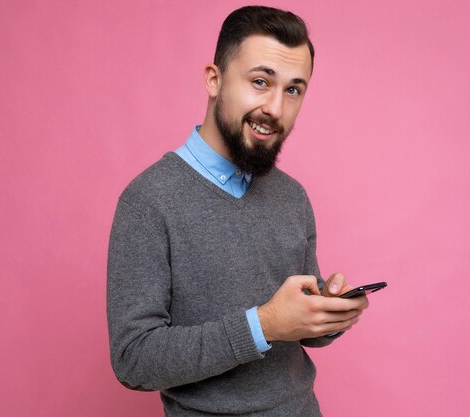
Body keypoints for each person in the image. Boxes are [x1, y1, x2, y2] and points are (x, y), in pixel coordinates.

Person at [107, 6, 370, 416]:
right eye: (261, 82)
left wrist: (327, 313)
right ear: (214, 79)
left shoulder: (292, 196)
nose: (276, 109)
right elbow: (134, 360)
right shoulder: (148, 201)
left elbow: (294, 322)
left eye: (293, 90)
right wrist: (263, 325)